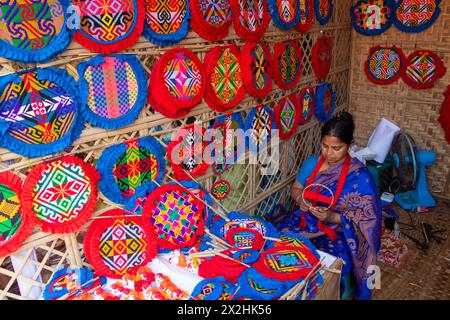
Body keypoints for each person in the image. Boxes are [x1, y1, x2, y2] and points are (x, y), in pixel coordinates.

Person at [281, 111, 382, 300]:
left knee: (326, 262)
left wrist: (331, 217)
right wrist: (300, 200)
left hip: (340, 230)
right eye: (325, 146)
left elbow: (369, 219)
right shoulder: (312, 163)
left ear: (349, 146)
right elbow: (296, 188)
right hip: (305, 221)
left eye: (337, 148)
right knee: (284, 246)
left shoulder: (359, 176)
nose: (329, 153)